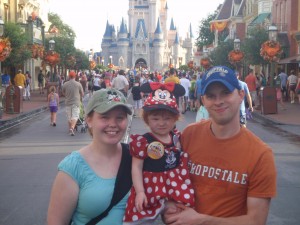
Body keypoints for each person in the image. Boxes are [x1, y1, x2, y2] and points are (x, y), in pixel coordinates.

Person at [164, 66, 277, 225]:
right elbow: (168, 179)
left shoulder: (260, 155)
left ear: (241, 95)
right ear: (203, 101)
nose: (218, 101)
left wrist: (201, 221)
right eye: (211, 96)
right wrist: (168, 208)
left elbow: (256, 220)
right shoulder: (189, 135)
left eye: (226, 92)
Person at [47, 88, 133, 225]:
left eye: (120, 117)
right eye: (105, 117)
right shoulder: (73, 167)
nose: (113, 124)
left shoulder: (137, 157)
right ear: (89, 120)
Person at [123, 82, 195, 224]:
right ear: (147, 119)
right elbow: (136, 168)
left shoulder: (176, 138)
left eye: (167, 118)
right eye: (155, 118)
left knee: (179, 218)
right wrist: (140, 192)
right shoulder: (143, 141)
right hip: (150, 188)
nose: (161, 123)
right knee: (143, 218)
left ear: (175, 119)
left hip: (175, 188)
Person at [62, 70, 84, 136]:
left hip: (68, 102)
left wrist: (67, 96)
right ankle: (72, 128)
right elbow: (82, 94)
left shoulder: (65, 84)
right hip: (76, 102)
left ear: (69, 76)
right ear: (75, 76)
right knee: (75, 116)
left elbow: (63, 92)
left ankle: (71, 129)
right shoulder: (78, 84)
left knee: (69, 117)